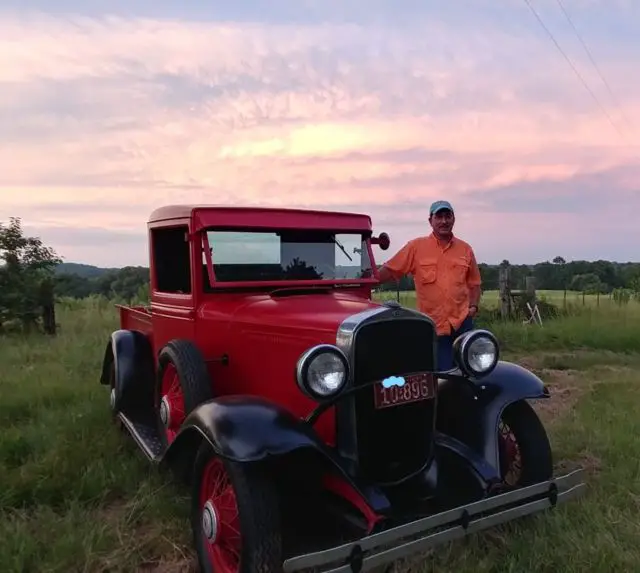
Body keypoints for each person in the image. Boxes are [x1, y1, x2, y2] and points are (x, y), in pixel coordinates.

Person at [377, 200, 482, 370]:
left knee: (470, 371)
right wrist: (365, 280)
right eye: (439, 216)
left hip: (463, 324)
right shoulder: (416, 247)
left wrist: (473, 307)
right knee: (442, 375)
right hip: (434, 326)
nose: (444, 221)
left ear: (454, 219)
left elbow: (475, 283)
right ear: (430, 221)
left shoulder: (465, 249)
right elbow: (390, 269)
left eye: (447, 216)